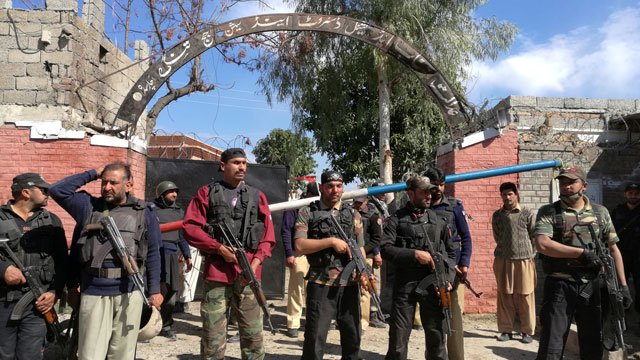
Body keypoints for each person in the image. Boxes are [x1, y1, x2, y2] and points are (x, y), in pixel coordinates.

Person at [49, 162, 163, 360]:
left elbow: (153, 252)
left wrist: (154, 290)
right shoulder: (88, 206)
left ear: (129, 185)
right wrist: (94, 173)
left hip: (130, 291)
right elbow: (57, 190)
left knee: (122, 354)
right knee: (90, 354)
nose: (107, 187)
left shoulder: (145, 212)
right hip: (94, 290)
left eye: (113, 182)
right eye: (104, 182)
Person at [182, 147, 275, 360]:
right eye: (236, 162)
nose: (242, 166)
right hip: (217, 275)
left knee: (253, 336)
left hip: (248, 275)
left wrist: (255, 262)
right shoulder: (206, 193)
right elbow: (190, 227)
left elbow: (268, 237)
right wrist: (218, 248)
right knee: (213, 337)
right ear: (223, 166)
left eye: (244, 163)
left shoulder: (257, 196)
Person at [535, 166, 632, 360]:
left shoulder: (600, 212)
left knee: (592, 345)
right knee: (551, 346)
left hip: (591, 287)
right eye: (562, 183)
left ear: (584, 186)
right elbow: (542, 244)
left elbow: (613, 249)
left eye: (571, 182)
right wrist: (582, 254)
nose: (566, 187)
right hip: (560, 286)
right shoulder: (549, 211)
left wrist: (623, 285)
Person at [381, 175, 455, 360]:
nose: (429, 196)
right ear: (411, 193)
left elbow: (451, 255)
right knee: (398, 341)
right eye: (423, 192)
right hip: (405, 285)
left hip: (433, 285)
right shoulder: (396, 219)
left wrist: (448, 280)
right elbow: (385, 249)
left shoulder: (439, 221)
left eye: (430, 192)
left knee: (437, 339)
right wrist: (414, 254)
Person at [294, 170, 366, 360]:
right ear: (321, 187)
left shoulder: (353, 214)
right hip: (321, 283)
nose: (335, 190)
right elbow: (300, 245)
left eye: (339, 186)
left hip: (349, 284)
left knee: (352, 336)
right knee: (315, 337)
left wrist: (364, 272)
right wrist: (331, 242)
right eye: (330, 186)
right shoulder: (307, 212)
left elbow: (361, 248)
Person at [0, 173, 67, 360]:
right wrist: (3, 268)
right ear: (26, 192)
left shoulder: (51, 221)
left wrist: (55, 292)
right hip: (3, 300)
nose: (48, 193)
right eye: (43, 190)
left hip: (38, 303)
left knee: (30, 355)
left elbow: (62, 261)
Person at [424, 167, 472, 360]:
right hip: (428, 272)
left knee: (453, 318)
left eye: (441, 185)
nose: (438, 189)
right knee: (432, 322)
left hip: (452, 269)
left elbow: (466, 238)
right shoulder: (421, 207)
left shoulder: (454, 206)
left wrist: (464, 264)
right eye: (434, 185)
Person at [491, 182, 536, 343]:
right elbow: (497, 236)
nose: (507, 197)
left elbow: (534, 235)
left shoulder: (527, 213)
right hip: (503, 260)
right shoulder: (497, 215)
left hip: (524, 260)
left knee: (525, 295)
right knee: (505, 296)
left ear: (516, 194)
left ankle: (527, 331)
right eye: (504, 194)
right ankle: (506, 330)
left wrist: (529, 253)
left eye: (510, 194)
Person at [154, 180, 193, 340]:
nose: (175, 194)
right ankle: (149, 325)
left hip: (172, 254)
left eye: (176, 191)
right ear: (162, 194)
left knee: (171, 293)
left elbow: (181, 236)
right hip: (155, 255)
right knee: (153, 290)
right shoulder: (150, 210)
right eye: (171, 192)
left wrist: (188, 255)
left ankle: (166, 325)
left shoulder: (178, 212)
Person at [281, 181, 319, 338]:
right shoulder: (295, 207)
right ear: (308, 194)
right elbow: (286, 230)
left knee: (315, 290)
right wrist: (289, 253)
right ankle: (293, 323)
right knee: (296, 290)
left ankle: (312, 321)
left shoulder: (318, 207)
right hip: (299, 254)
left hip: (316, 254)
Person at [352, 195, 386, 331]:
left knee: (366, 289)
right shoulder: (349, 213)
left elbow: (377, 238)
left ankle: (363, 322)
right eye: (356, 202)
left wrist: (362, 251)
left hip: (366, 256)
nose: (358, 205)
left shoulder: (373, 215)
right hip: (350, 255)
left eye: (360, 202)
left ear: (366, 201)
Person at [610, 182, 640, 317]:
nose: (633, 196)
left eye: (636, 193)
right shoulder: (618, 211)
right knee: (622, 285)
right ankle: (623, 313)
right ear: (625, 194)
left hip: (638, 256)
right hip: (621, 255)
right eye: (631, 193)